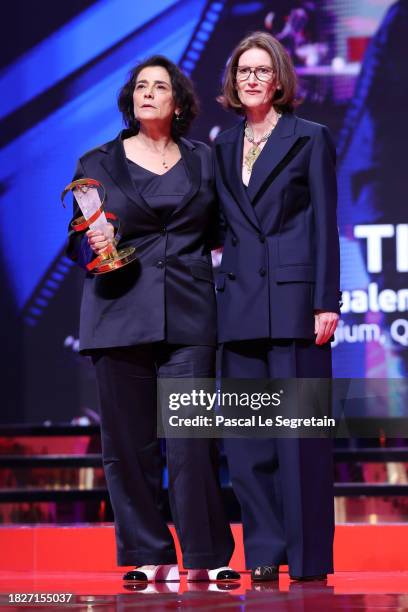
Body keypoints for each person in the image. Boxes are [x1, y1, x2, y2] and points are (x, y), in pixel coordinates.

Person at [66, 55, 238, 583]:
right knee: (129, 445)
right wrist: (92, 242)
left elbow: (223, 230)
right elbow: (79, 239)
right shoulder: (97, 162)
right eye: (140, 86)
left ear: (178, 103)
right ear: (131, 99)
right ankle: (149, 554)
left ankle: (208, 559)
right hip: (119, 314)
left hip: (190, 316)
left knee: (192, 443)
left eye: (159, 86)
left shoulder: (205, 160)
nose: (147, 93)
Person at [214, 32, 341, 581]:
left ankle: (308, 560)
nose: (252, 79)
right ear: (233, 81)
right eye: (244, 71)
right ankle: (264, 555)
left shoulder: (310, 138)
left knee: (300, 442)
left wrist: (325, 301)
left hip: (294, 307)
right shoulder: (220, 146)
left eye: (262, 70)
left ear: (280, 78)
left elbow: (324, 227)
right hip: (238, 307)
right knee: (247, 445)